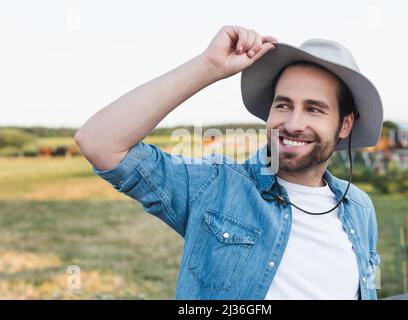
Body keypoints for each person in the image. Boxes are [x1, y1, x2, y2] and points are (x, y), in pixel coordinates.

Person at [75, 25, 383, 300]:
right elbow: (99, 142)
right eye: (283, 105)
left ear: (345, 125)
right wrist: (208, 66)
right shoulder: (215, 186)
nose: (292, 123)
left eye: (314, 109)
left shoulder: (359, 208)